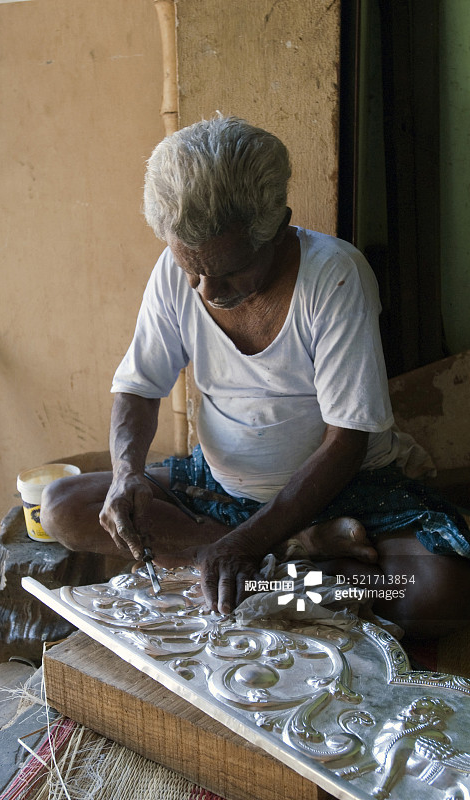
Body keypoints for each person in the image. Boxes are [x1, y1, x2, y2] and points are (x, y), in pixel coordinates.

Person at [41, 115, 470, 638]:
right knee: (62, 509)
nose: (206, 290)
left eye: (228, 271)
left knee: (435, 596)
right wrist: (128, 472)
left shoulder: (334, 275)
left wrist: (245, 544)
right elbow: (138, 387)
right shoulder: (178, 273)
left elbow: (347, 441)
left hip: (347, 488)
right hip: (218, 491)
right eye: (191, 270)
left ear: (278, 225)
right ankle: (295, 555)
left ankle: (256, 558)